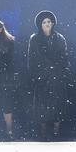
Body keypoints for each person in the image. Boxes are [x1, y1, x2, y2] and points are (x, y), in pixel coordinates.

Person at [27, 11, 69, 139]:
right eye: (44, 22)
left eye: (49, 22)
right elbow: (32, 58)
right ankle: (43, 133)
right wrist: (39, 73)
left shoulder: (60, 38)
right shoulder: (34, 39)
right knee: (42, 105)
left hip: (57, 76)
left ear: (52, 23)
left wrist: (60, 71)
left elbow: (64, 57)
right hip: (42, 76)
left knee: (57, 104)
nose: (47, 24)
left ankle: (56, 132)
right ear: (40, 24)